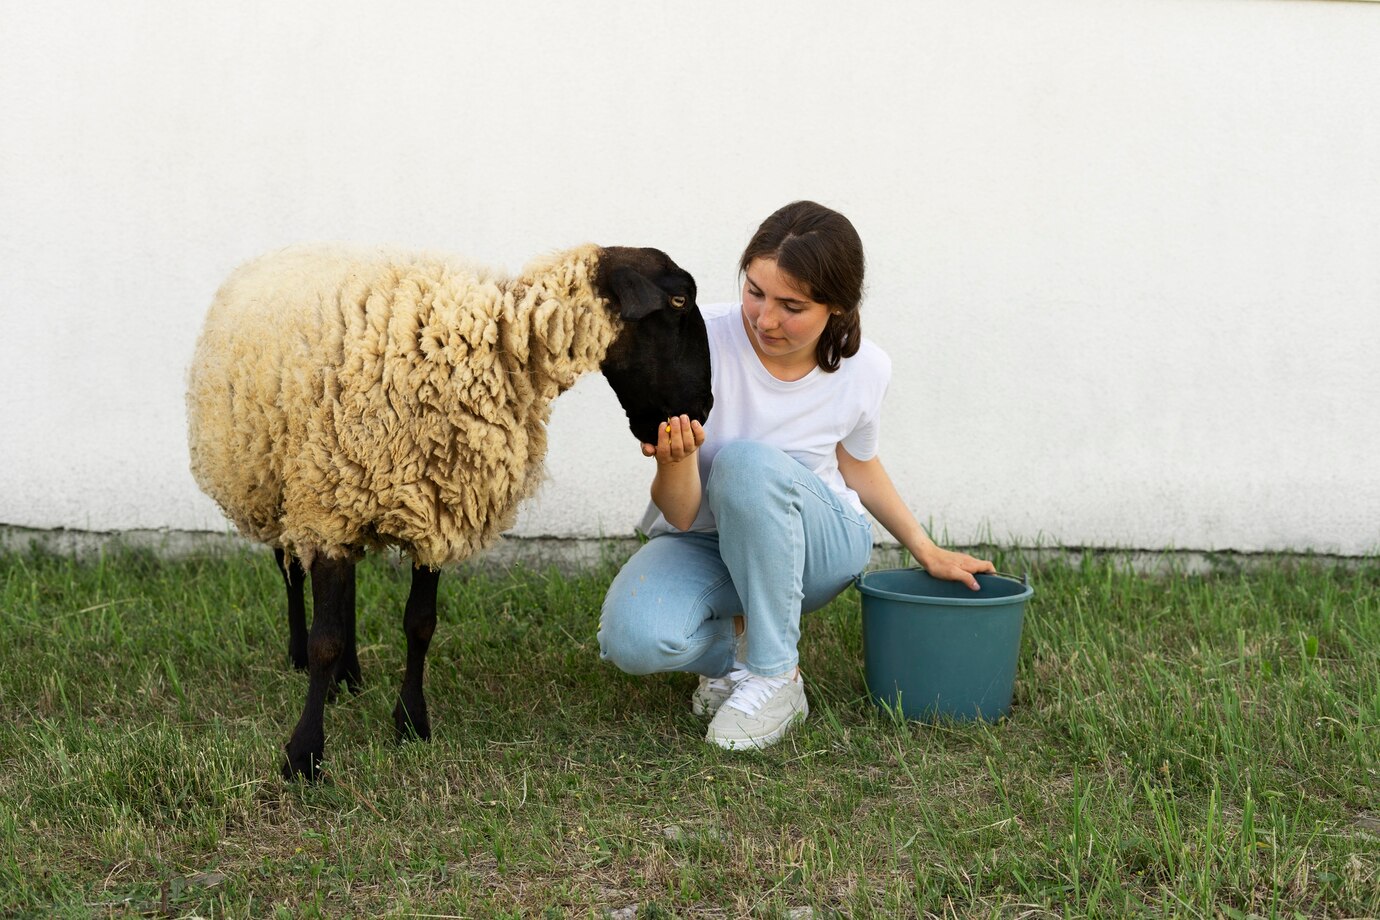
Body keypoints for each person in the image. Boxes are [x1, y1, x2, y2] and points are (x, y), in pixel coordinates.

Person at [597, 200, 994, 750]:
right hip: (708, 539)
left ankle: (775, 677)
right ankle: (739, 653)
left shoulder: (865, 369)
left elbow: (858, 464)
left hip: (815, 548)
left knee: (744, 464)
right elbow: (682, 512)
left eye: (792, 305)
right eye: (755, 292)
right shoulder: (695, 340)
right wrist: (674, 459)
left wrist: (925, 548)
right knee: (632, 640)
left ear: (837, 306)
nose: (764, 319)